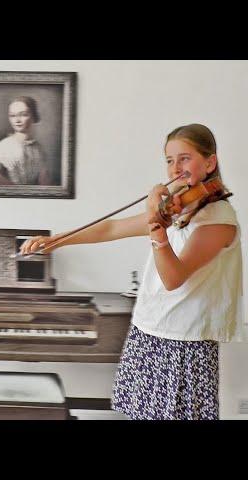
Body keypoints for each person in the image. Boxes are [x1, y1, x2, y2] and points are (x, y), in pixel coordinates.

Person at [19, 124, 244, 420]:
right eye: (169, 160)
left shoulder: (218, 218)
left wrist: (155, 225)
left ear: (210, 162)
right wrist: (58, 241)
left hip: (184, 341)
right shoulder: (179, 210)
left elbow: (173, 278)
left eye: (184, 158)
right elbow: (113, 228)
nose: (175, 168)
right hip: (150, 330)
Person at [0, 95, 51, 185]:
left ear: (34, 116)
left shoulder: (39, 149)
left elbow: (45, 184)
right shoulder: (1, 148)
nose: (17, 120)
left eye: (23, 115)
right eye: (12, 115)